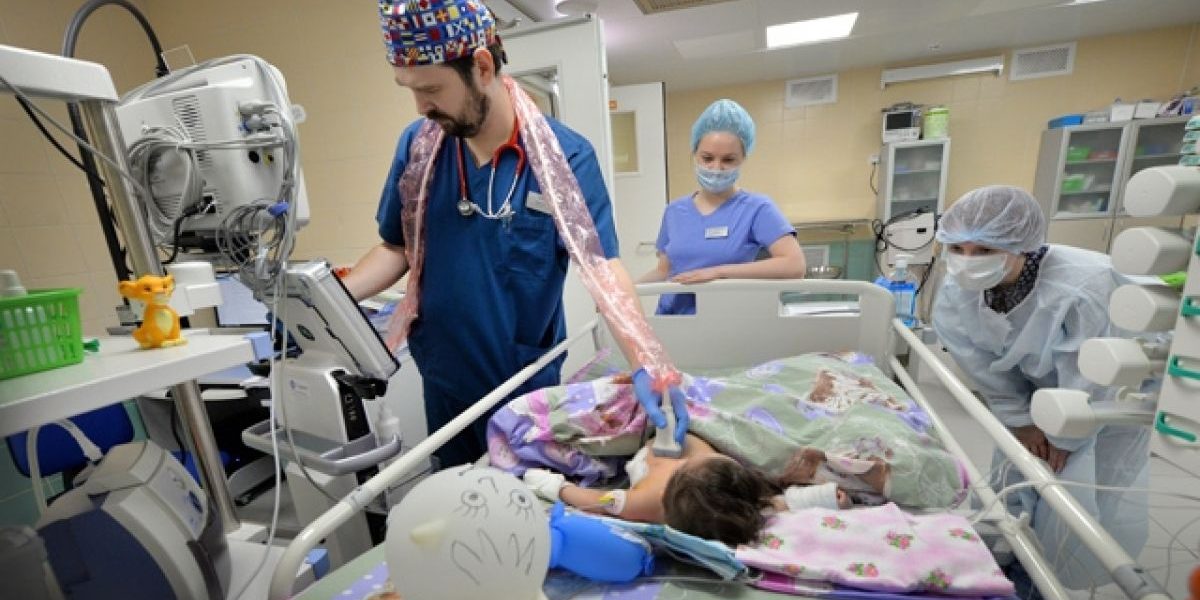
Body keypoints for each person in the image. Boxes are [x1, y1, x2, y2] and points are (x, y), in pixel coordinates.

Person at [345, 0, 687, 469]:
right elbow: (397, 247)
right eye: (410, 90)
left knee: (527, 501)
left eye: (431, 89)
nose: (422, 107)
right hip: (445, 383)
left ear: (482, 67)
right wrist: (327, 300)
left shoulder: (565, 159)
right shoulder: (419, 148)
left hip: (524, 391)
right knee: (459, 497)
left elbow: (601, 268)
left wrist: (647, 360)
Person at [931, 185, 1149, 592]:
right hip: (1036, 392)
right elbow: (980, 363)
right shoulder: (957, 291)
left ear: (1021, 246)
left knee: (1077, 493)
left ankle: (1057, 581)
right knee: (1015, 470)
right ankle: (1005, 563)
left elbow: (1095, 374)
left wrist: (1066, 436)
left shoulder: (1086, 288)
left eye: (983, 250)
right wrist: (1021, 420)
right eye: (957, 249)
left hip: (1110, 396)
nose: (966, 262)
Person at [523, 435, 866, 546]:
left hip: (650, 444)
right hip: (671, 427)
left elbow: (593, 500)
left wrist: (552, 485)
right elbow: (777, 503)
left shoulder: (646, 501)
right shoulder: (735, 488)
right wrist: (826, 498)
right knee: (767, 497)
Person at [639, 99, 806, 315]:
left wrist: (718, 273)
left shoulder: (757, 208)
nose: (716, 168)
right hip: (675, 320)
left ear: (743, 159)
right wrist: (621, 291)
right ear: (695, 154)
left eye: (728, 159)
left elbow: (795, 266)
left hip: (728, 321)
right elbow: (664, 271)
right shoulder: (674, 211)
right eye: (707, 158)